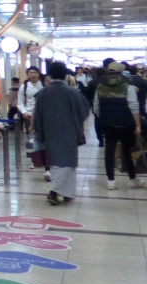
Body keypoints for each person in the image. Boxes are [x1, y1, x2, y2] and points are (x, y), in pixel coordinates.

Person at [32, 61, 90, 205]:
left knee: (55, 162)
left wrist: (39, 132)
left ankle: (61, 192)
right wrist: (76, 124)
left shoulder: (42, 93)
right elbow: (84, 111)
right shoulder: (73, 92)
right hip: (70, 131)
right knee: (69, 162)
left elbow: (37, 115)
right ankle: (60, 192)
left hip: (49, 131)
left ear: (50, 75)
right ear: (65, 75)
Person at [93, 62, 144, 190]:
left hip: (108, 125)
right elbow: (134, 106)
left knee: (109, 151)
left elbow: (96, 107)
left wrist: (104, 119)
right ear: (121, 72)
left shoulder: (100, 86)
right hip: (126, 124)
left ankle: (111, 181)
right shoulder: (128, 86)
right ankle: (132, 179)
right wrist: (138, 125)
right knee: (126, 151)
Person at [19, 67, 45, 172]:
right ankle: (33, 160)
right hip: (29, 116)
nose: (33, 74)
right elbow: (20, 102)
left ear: (38, 74)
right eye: (30, 73)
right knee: (31, 139)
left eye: (35, 72)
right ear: (27, 75)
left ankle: (46, 159)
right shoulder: (24, 87)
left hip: (43, 115)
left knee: (44, 138)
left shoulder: (43, 85)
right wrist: (24, 112)